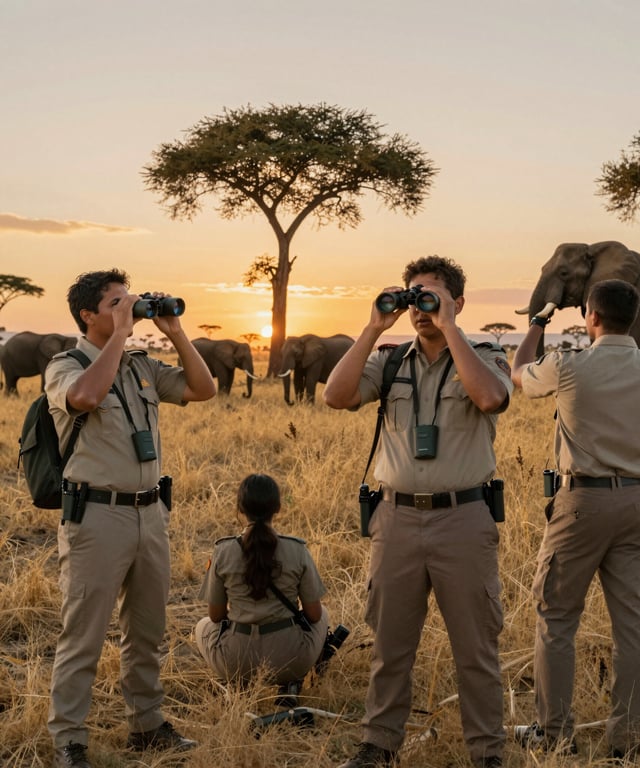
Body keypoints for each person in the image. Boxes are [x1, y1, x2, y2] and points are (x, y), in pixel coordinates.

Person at [324, 255, 513, 768]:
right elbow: (336, 396)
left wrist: (452, 331)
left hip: (463, 517)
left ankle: (486, 752)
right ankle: (378, 745)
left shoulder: (486, 353)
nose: (420, 309)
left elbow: (492, 398)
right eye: (413, 297)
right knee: (390, 643)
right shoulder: (389, 361)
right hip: (396, 518)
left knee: (475, 647)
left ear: (457, 302)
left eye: (431, 297)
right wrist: (372, 327)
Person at [45, 269, 216, 768]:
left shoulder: (142, 366)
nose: (129, 308)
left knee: (147, 630)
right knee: (84, 634)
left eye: (130, 300)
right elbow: (85, 399)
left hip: (150, 513)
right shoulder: (66, 364)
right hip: (96, 517)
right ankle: (70, 740)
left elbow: (201, 390)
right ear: (87, 315)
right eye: (116, 303)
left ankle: (147, 725)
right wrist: (120, 335)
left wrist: (175, 332)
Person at [510, 279, 640, 760]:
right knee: (632, 624)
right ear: (634, 317)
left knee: (557, 618)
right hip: (635, 503)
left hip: (580, 503)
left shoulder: (567, 366)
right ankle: (626, 738)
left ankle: (555, 733)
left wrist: (537, 325)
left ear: (591, 317)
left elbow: (518, 372)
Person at [195, 473, 330, 698]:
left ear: (240, 508)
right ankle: (291, 683)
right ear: (277, 508)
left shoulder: (223, 551)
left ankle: (239, 686)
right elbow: (314, 615)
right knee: (323, 613)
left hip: (235, 662)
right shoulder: (297, 550)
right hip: (291, 660)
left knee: (202, 626)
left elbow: (216, 616)